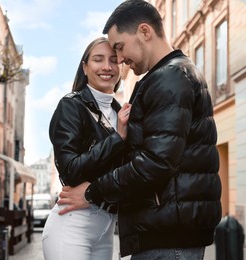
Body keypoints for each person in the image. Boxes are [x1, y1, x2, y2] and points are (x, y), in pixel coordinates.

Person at [57, 1, 222, 259]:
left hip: (168, 234)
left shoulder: (170, 77)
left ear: (145, 32)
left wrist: (91, 192)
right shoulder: (167, 75)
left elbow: (155, 162)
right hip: (166, 228)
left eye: (119, 48)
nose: (119, 60)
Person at [43, 37, 131, 260]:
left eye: (113, 60)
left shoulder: (120, 112)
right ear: (85, 67)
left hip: (105, 229)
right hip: (72, 226)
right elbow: (70, 170)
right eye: (98, 59)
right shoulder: (71, 106)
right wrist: (117, 138)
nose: (107, 67)